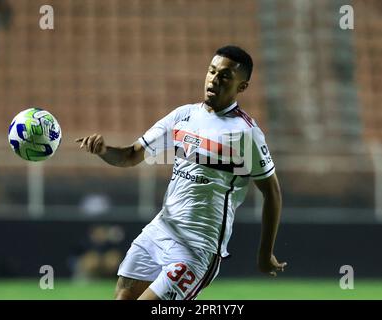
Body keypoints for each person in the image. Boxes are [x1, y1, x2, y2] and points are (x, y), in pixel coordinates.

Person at [76, 45, 287, 300]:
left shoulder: (246, 133)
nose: (214, 80)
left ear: (242, 87)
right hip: (160, 231)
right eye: (212, 71)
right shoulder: (183, 116)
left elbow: (272, 192)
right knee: (123, 296)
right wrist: (103, 150)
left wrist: (265, 254)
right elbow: (131, 155)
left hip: (197, 247)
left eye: (225, 76)